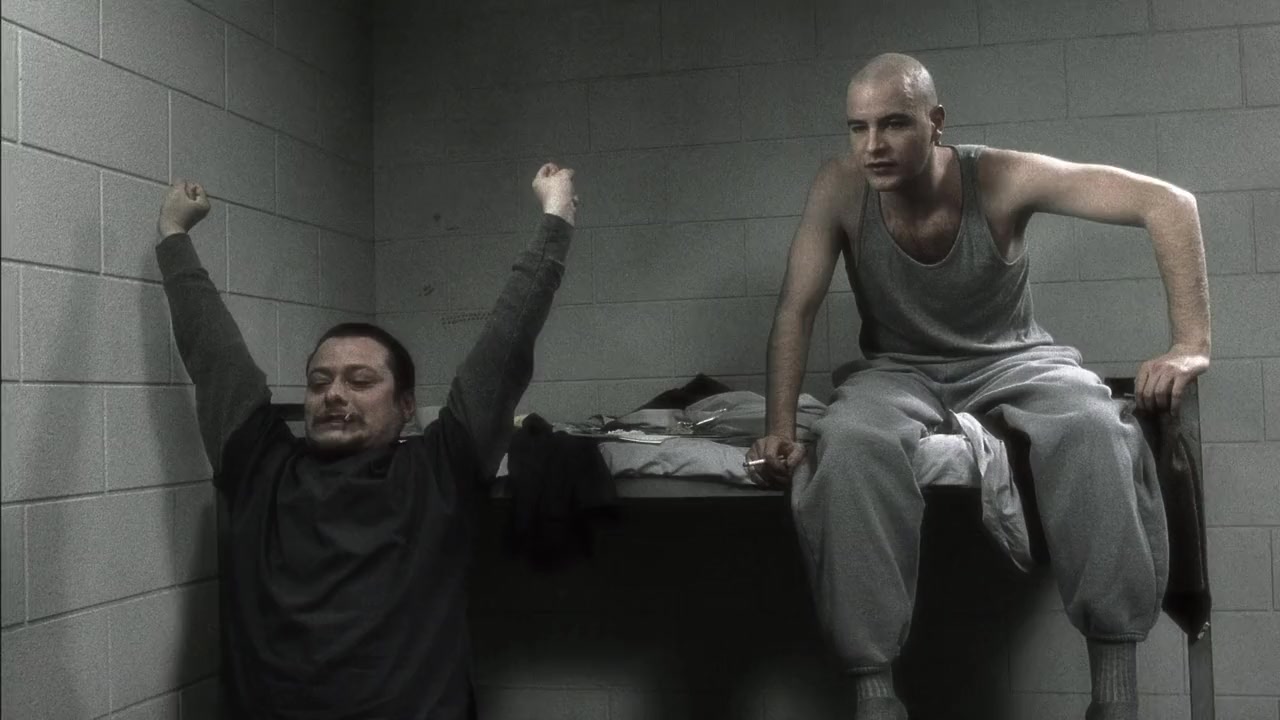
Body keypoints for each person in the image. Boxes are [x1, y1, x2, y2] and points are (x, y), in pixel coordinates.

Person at [746, 53, 1209, 720]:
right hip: (897, 372)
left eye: (894, 124)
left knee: (1097, 427)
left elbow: (1168, 203)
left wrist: (1190, 345)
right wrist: (780, 428)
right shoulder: (839, 187)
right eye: (857, 127)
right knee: (845, 444)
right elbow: (796, 308)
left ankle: (1115, 697)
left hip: (1012, 361)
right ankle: (875, 696)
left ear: (936, 122)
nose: (872, 146)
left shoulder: (999, 176)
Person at [156, 164, 579, 719]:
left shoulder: (439, 470)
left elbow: (505, 346)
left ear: (406, 406)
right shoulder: (261, 467)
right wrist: (173, 235)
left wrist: (555, 220)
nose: (334, 394)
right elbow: (214, 355)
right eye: (319, 382)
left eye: (360, 381)